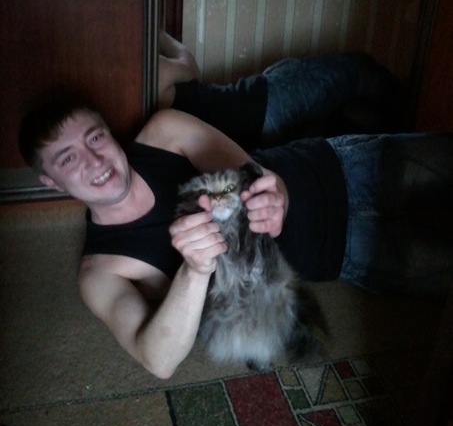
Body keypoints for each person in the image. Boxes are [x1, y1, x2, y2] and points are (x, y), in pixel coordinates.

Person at [18, 100, 453, 380]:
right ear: (49, 181)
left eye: (95, 138)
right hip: (343, 252)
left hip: (339, 169)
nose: (95, 160)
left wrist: (273, 192)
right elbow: (159, 359)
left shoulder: (164, 132)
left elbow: (248, 171)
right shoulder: (101, 271)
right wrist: (195, 270)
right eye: (68, 159)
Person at [157, 31, 408, 149]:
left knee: (341, 128)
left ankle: (403, 135)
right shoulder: (147, 76)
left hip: (255, 137)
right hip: (262, 105)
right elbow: (190, 68)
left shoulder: (147, 91)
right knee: (357, 71)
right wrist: (156, 32)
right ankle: (415, 117)